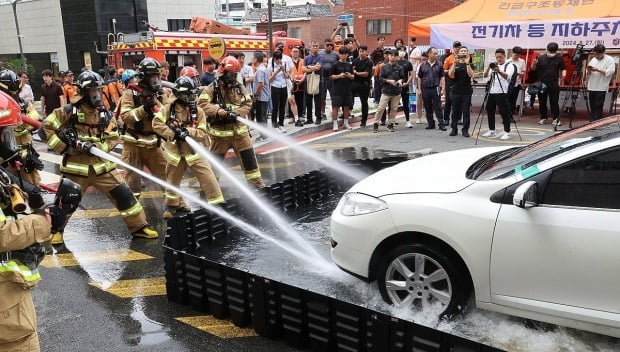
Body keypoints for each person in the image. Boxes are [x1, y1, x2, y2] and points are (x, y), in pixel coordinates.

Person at [43, 70, 159, 242]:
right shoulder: (69, 110)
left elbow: (113, 136)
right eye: (93, 91)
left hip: (103, 168)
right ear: (83, 92)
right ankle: (56, 231)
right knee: (66, 201)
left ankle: (139, 227)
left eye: (98, 90)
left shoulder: (105, 113)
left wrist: (98, 147)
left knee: (125, 196)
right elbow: (46, 128)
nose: (97, 94)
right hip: (77, 169)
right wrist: (67, 147)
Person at [153, 76, 226, 218]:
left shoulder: (198, 111)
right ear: (179, 95)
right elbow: (156, 124)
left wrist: (188, 132)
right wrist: (173, 134)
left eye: (193, 94)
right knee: (172, 181)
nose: (192, 97)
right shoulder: (168, 109)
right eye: (188, 94)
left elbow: (203, 133)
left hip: (194, 152)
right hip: (175, 153)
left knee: (208, 177)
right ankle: (172, 206)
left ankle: (217, 204)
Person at [197, 56, 266, 188]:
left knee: (250, 165)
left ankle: (258, 189)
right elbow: (202, 104)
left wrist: (237, 113)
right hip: (219, 137)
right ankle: (209, 193)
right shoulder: (212, 88)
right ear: (223, 72)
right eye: (231, 74)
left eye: (235, 74)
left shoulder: (239, 87)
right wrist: (219, 111)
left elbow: (248, 103)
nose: (233, 77)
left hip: (240, 135)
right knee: (214, 167)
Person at [118, 58, 169, 202]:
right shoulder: (131, 93)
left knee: (165, 175)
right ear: (145, 77)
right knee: (133, 182)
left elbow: (168, 114)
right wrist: (144, 108)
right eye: (154, 76)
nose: (157, 80)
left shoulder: (160, 93)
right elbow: (126, 116)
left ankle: (175, 206)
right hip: (134, 143)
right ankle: (135, 213)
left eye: (158, 76)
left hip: (154, 143)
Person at [0, 70, 45, 199]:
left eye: (15, 94)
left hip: (25, 157)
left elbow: (33, 120)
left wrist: (19, 123)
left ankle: (37, 211)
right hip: (5, 158)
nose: (13, 98)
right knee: (9, 192)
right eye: (9, 94)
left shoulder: (24, 104)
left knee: (33, 189)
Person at [482, 48, 515, 140]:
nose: (499, 59)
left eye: (500, 57)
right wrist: (490, 66)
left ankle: (507, 131)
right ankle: (491, 129)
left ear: (505, 56)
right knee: (490, 110)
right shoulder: (494, 66)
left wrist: (499, 71)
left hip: (502, 91)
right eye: (497, 57)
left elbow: (507, 76)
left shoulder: (509, 65)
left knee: (504, 112)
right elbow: (485, 75)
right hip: (491, 91)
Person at [531, 42, 566, 125]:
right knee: (542, 101)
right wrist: (533, 63)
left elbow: (563, 68)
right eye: (550, 52)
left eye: (553, 52)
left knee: (554, 101)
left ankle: (556, 119)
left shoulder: (559, 58)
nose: (551, 54)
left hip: (553, 83)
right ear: (547, 50)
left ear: (556, 51)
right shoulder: (541, 57)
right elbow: (533, 69)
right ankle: (543, 118)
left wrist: (564, 75)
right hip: (542, 83)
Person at [373, 49, 406, 133]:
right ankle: (376, 124)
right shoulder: (383, 66)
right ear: (388, 56)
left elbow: (403, 77)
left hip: (396, 91)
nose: (393, 57)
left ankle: (391, 124)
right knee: (381, 108)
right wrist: (389, 81)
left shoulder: (400, 67)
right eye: (391, 55)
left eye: (395, 55)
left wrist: (400, 81)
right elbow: (380, 79)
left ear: (397, 57)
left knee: (394, 109)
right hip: (386, 90)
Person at [448, 46, 475, 137]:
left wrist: (467, 63)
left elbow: (471, 75)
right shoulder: (455, 63)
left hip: (466, 91)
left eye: (465, 51)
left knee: (466, 111)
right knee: (455, 110)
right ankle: (454, 129)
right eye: (462, 51)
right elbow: (450, 74)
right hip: (455, 91)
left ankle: (465, 129)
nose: (463, 52)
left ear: (467, 53)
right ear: (458, 53)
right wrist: (454, 63)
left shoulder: (470, 64)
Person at [418, 47, 446, 130]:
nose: (436, 55)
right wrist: (419, 89)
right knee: (427, 106)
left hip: (436, 88)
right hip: (425, 88)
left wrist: (443, 89)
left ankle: (441, 124)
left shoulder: (440, 64)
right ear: (429, 54)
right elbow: (419, 78)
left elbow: (442, 77)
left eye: (437, 53)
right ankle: (431, 123)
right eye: (435, 53)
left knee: (438, 106)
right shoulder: (423, 65)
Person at [586, 44, 615, 121]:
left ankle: (597, 121)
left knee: (598, 105)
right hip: (592, 85)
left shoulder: (609, 59)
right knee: (592, 105)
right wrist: (589, 70)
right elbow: (588, 71)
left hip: (601, 86)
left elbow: (611, 71)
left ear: (603, 52)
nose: (596, 55)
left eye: (598, 54)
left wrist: (598, 70)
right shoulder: (593, 59)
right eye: (594, 53)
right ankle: (592, 120)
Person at [329, 47, 354, 132]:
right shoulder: (335, 64)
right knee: (335, 106)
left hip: (347, 88)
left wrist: (349, 75)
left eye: (346, 54)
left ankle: (346, 123)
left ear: (347, 54)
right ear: (340, 54)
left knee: (346, 106)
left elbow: (353, 76)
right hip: (337, 88)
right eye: (342, 54)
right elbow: (331, 76)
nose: (344, 56)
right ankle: (335, 124)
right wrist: (339, 76)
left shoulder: (349, 65)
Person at [351, 45, 373, 127]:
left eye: (363, 51)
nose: (361, 53)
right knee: (349, 96)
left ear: (366, 52)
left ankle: (364, 120)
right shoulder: (355, 61)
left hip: (364, 84)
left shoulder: (369, 62)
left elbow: (366, 74)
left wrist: (356, 73)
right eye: (360, 51)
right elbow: (351, 70)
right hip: (355, 82)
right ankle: (349, 111)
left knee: (364, 102)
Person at [268, 51, 290, 132]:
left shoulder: (284, 64)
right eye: (276, 59)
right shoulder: (270, 66)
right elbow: (269, 79)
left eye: (279, 59)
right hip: (275, 86)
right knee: (275, 105)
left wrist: (283, 70)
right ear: (274, 58)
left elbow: (287, 77)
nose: (278, 61)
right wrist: (276, 72)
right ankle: (274, 122)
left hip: (283, 86)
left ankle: (281, 122)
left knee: (282, 105)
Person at [442, 41, 461, 127]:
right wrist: (450, 71)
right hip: (450, 81)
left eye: (459, 46)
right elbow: (443, 70)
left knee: (459, 101)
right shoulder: (449, 58)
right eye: (456, 47)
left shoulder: (465, 58)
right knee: (448, 100)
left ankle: (458, 118)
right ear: (453, 48)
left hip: (460, 81)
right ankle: (446, 119)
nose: (457, 48)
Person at [319, 39, 339, 120]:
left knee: (334, 97)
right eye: (327, 45)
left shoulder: (335, 55)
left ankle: (334, 113)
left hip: (332, 79)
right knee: (322, 97)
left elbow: (340, 63)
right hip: (322, 78)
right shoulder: (320, 54)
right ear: (324, 45)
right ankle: (322, 113)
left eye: (331, 45)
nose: (329, 46)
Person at [303, 41, 322, 124]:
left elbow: (318, 67)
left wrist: (308, 67)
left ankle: (318, 117)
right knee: (308, 100)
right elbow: (303, 69)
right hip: (308, 79)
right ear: (310, 48)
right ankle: (309, 118)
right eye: (313, 46)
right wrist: (311, 67)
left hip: (318, 79)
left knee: (318, 100)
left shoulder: (321, 57)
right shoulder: (306, 58)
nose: (315, 47)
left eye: (316, 46)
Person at [396, 46, 414, 128]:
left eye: (403, 50)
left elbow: (411, 75)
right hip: (395, 86)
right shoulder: (395, 62)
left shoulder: (408, 63)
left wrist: (407, 82)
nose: (402, 52)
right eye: (400, 50)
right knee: (393, 104)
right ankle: (392, 120)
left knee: (405, 103)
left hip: (405, 85)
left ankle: (408, 121)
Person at [506, 46, 526, 115]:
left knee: (514, 99)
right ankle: (506, 113)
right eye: (515, 55)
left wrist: (521, 74)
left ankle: (511, 112)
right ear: (512, 53)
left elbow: (523, 71)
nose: (517, 56)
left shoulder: (522, 61)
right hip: (508, 83)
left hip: (517, 83)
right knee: (507, 99)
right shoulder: (507, 61)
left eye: (518, 55)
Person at [289, 46, 306, 127]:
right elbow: (288, 71)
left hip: (301, 82)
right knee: (291, 100)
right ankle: (292, 116)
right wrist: (293, 80)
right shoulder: (288, 61)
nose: (295, 53)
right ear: (291, 53)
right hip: (292, 83)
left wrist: (302, 79)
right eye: (294, 51)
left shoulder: (303, 61)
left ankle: (300, 115)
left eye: (297, 51)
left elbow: (305, 71)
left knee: (300, 100)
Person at [253, 52, 270, 128]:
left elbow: (261, 84)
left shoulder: (260, 70)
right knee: (262, 116)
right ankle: (264, 134)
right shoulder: (262, 69)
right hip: (264, 96)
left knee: (260, 117)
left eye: (253, 58)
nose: (252, 60)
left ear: (256, 59)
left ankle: (263, 135)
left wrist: (255, 95)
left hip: (261, 97)